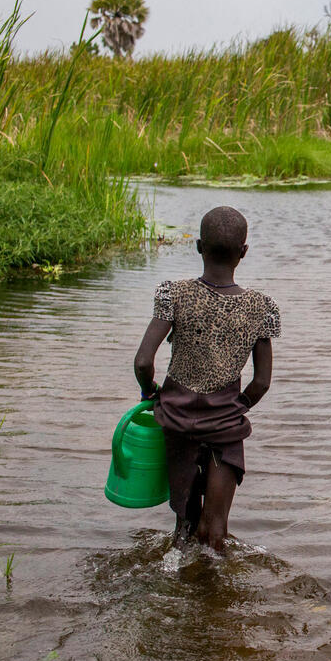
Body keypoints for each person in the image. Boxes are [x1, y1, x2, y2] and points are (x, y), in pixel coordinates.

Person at [133, 206, 280, 552]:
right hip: (225, 426)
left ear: (199, 246)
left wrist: (151, 391)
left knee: (183, 530)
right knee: (216, 533)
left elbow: (143, 361)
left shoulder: (173, 293)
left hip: (177, 419)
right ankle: (215, 598)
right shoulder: (262, 307)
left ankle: (180, 592)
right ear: (243, 252)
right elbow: (261, 383)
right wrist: (234, 406)